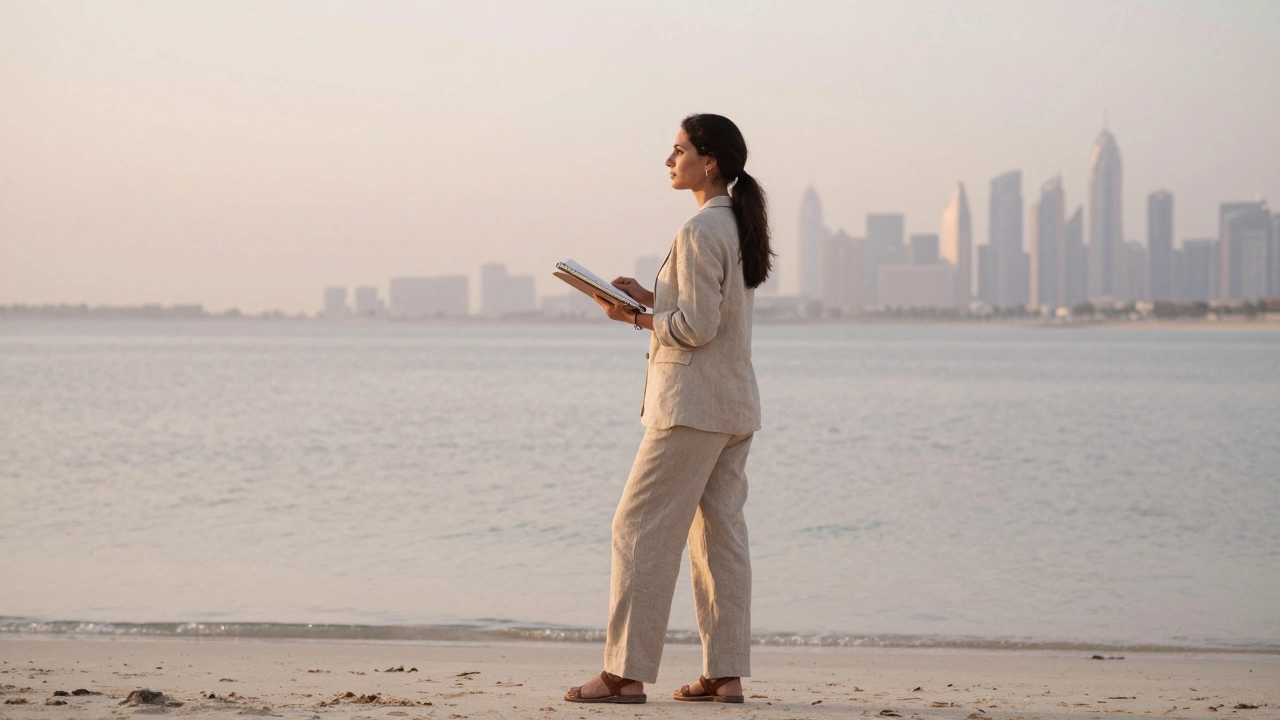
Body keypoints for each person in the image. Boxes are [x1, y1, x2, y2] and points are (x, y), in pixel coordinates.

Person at [564, 114, 771, 705]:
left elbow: (696, 328)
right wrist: (653, 298)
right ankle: (725, 674)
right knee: (718, 537)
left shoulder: (702, 229)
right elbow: (712, 311)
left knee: (638, 528)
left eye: (678, 150)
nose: (668, 160)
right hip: (732, 405)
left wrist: (633, 318)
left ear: (709, 161)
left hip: (691, 406)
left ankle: (624, 675)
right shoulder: (738, 224)